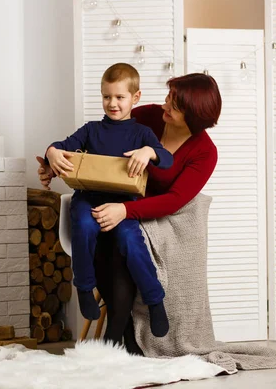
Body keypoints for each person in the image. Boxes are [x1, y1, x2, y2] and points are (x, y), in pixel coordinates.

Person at [38, 73, 221, 351]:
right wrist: (54, 158)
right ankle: (122, 337)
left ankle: (117, 337)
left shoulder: (205, 151)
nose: (164, 105)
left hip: (161, 215)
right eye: (168, 96)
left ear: (192, 116)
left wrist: (125, 209)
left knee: (119, 240)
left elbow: (173, 201)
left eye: (174, 104)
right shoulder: (148, 116)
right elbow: (102, 146)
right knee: (104, 234)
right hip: (119, 200)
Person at [43, 63, 173, 337]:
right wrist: (51, 152)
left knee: (131, 241)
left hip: (123, 205)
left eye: (120, 97)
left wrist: (149, 151)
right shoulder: (91, 130)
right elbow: (62, 146)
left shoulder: (142, 134)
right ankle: (84, 287)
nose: (112, 103)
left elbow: (167, 159)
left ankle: (155, 299)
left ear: (134, 98)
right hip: (88, 198)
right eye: (106, 97)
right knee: (82, 222)